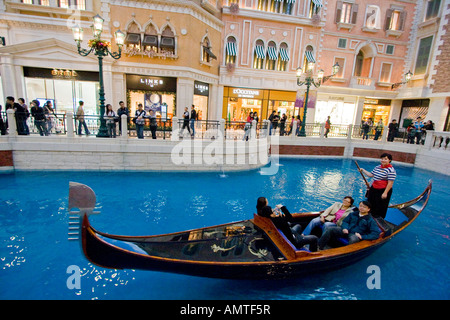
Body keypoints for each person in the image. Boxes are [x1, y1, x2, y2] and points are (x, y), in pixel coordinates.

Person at [358, 153, 396, 218]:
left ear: (389, 160)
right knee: (371, 203)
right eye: (382, 159)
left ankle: (378, 218)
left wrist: (385, 193)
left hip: (383, 190)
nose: (383, 160)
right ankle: (369, 216)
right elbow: (371, 175)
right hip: (374, 188)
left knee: (380, 205)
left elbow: (390, 183)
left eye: (385, 159)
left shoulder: (391, 170)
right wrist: (363, 170)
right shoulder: (377, 167)